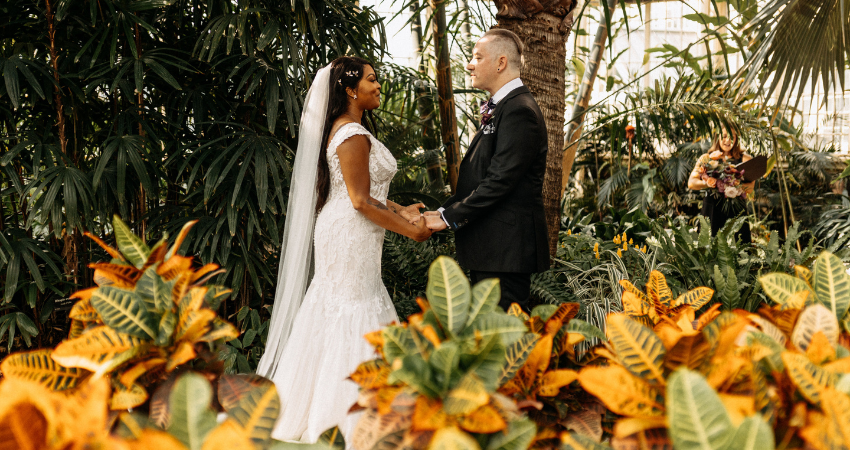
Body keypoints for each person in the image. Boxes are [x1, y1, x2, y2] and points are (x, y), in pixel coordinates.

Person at [255, 56, 432, 444]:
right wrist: (410, 231)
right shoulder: (351, 133)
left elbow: (367, 194)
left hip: (351, 227)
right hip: (350, 231)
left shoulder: (350, 129)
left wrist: (402, 209)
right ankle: (342, 416)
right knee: (351, 306)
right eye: (372, 80)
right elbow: (360, 201)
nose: (378, 86)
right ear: (350, 90)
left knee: (344, 304)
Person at [420, 29, 549, 312]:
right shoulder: (506, 106)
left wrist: (449, 218)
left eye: (477, 57)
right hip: (493, 250)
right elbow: (481, 176)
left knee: (506, 341)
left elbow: (500, 181)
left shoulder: (519, 110)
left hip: (504, 252)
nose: (469, 64)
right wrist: (442, 210)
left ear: (501, 63)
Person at [687, 129, 755, 243]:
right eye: (724, 136)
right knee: (709, 249)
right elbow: (691, 183)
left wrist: (731, 187)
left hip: (735, 211)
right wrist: (710, 183)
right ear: (717, 137)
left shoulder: (745, 159)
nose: (728, 140)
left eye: (732, 137)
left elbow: (750, 188)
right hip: (712, 210)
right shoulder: (706, 158)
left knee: (739, 248)